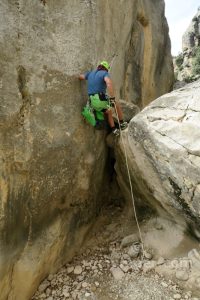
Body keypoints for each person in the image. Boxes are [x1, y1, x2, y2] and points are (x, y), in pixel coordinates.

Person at [79, 61, 127, 135]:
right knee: (116, 104)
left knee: (108, 111)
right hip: (100, 99)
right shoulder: (104, 73)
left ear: (99, 67)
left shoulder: (90, 73)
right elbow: (108, 83)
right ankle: (122, 124)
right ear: (106, 69)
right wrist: (112, 97)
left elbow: (80, 77)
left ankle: (114, 129)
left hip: (93, 102)